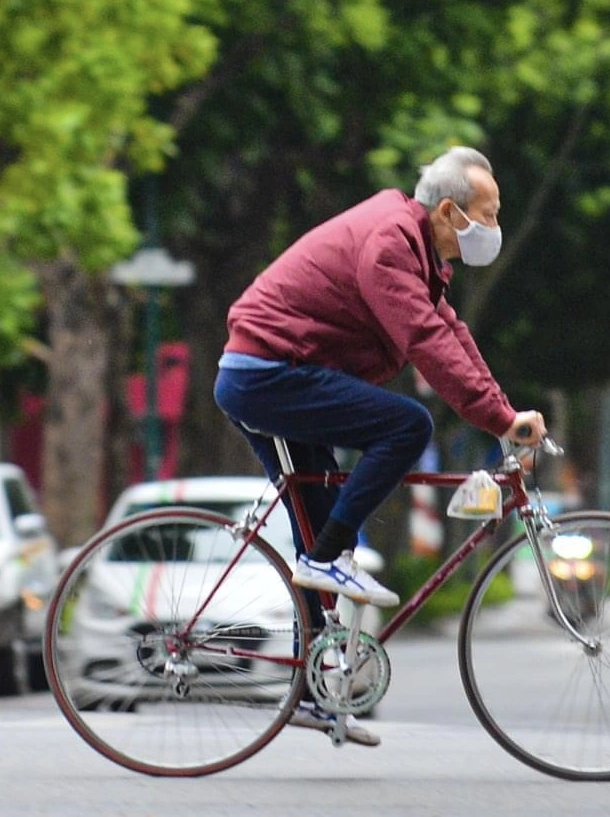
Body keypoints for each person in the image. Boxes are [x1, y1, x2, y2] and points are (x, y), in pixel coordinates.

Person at [214, 146, 547, 745]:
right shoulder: (391, 245)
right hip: (265, 375)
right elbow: (423, 339)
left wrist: (502, 416)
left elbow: (450, 331)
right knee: (407, 426)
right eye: (490, 215)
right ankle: (326, 558)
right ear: (450, 212)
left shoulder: (418, 248)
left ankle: (311, 695)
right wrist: (496, 416)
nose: (497, 229)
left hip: (278, 373)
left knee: (316, 521)